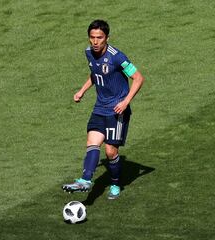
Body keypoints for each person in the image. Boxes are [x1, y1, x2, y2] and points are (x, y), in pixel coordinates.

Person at [62, 19, 145, 199]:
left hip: (117, 110)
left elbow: (138, 78)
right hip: (99, 107)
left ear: (107, 37)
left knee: (110, 152)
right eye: (92, 37)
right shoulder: (88, 53)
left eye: (99, 37)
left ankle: (115, 183)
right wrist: (82, 90)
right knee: (92, 144)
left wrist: (125, 102)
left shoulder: (118, 56)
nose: (95, 42)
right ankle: (85, 180)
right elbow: (95, 73)